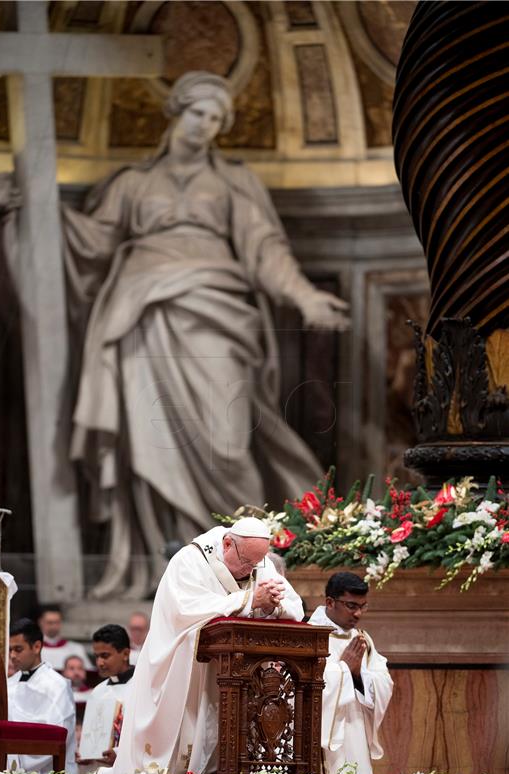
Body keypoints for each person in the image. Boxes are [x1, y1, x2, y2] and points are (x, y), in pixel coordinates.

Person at [59, 70, 350, 599]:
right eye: (199, 113)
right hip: (141, 315)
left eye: (217, 119)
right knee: (152, 436)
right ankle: (166, 566)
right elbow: (91, 243)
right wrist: (34, 206)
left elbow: (265, 250)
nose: (207, 126)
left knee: (225, 438)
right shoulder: (131, 183)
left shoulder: (234, 181)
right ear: (176, 111)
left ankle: (245, 562)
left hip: (216, 310)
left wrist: (305, 297)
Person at [111, 516, 303, 774]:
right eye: (246, 562)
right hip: (186, 666)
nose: (251, 570)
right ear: (227, 544)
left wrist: (272, 604)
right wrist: (250, 599)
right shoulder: (189, 561)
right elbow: (186, 610)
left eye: (255, 564)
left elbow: (295, 606)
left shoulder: (259, 562)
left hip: (236, 671)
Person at [307, 572, 393, 774]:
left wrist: (357, 675)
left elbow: (384, 681)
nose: (358, 614)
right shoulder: (308, 636)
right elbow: (306, 685)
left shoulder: (362, 639)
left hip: (356, 728)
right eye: (351, 606)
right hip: (324, 734)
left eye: (363, 606)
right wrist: (345, 669)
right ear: (329, 602)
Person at [7, 618, 77, 774]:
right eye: (10, 650)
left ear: (37, 647)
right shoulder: (9, 684)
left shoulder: (56, 685)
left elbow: (58, 734)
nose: (12, 656)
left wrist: (20, 763)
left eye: (18, 649)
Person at [79, 625, 135, 770]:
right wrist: (85, 754)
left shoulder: (141, 687)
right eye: (97, 656)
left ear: (125, 654)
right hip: (99, 771)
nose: (99, 663)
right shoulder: (98, 691)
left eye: (105, 656)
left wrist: (119, 753)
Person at [38, 604, 90, 671]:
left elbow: (89, 673)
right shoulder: (33, 651)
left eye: (57, 622)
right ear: (40, 622)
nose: (54, 627)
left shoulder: (76, 649)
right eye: (50, 623)